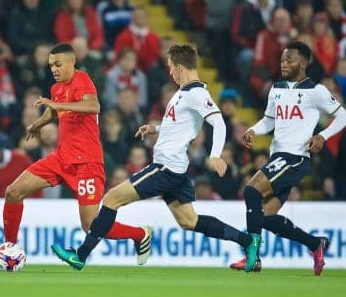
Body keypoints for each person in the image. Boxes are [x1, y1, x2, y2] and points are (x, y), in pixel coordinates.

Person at [51, 44, 253, 270]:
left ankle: (80, 255)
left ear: (179, 67)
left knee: (111, 199)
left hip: (165, 169)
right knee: (189, 221)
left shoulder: (197, 93)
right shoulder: (183, 93)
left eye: (170, 68)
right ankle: (248, 241)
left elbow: (219, 122)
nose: (170, 72)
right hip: (174, 169)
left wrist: (215, 155)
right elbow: (179, 126)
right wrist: (155, 129)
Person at [0, 43, 151, 267]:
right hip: (61, 158)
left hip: (87, 163)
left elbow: (93, 106)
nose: (54, 69)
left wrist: (54, 105)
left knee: (90, 225)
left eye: (58, 64)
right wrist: (38, 124)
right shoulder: (57, 88)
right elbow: (54, 110)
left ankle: (140, 234)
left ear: (72, 62)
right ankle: (8, 250)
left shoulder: (82, 80)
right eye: (51, 65)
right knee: (13, 192)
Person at [232, 41, 346, 275]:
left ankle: (252, 257)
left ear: (304, 63)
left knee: (251, 191)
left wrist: (323, 136)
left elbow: (343, 116)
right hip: (278, 156)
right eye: (283, 59)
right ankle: (315, 244)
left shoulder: (316, 91)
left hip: (295, 157)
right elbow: (269, 120)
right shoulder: (277, 88)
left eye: (289, 60)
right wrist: (254, 129)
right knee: (263, 217)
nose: (284, 63)